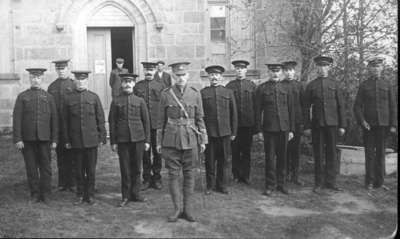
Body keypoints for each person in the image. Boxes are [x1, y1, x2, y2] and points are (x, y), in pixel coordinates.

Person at [156, 62, 208, 222]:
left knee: (190, 174)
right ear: (173, 76)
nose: (180, 78)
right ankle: (177, 209)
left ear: (188, 75)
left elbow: (199, 118)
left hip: (191, 139)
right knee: (173, 175)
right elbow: (160, 121)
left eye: (183, 75)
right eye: (177, 75)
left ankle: (188, 209)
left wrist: (203, 140)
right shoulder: (166, 94)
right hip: (171, 140)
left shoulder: (195, 93)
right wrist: (159, 142)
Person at [13, 68, 58, 203]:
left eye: (38, 78)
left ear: (42, 79)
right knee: (31, 167)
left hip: (45, 139)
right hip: (28, 139)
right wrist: (18, 138)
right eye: (33, 77)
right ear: (29, 79)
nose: (36, 80)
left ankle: (46, 193)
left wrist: (55, 139)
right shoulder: (22, 97)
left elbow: (54, 120)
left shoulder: (49, 97)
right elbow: (17, 119)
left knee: (46, 167)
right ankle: (35, 193)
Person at [303, 56, 347, 194]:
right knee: (318, 154)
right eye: (319, 66)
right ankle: (318, 183)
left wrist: (342, 125)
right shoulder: (311, 86)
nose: (322, 69)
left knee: (331, 153)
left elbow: (341, 106)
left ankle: (331, 182)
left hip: (333, 124)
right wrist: (307, 126)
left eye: (325, 66)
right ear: (317, 68)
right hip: (317, 125)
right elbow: (305, 108)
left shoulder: (335, 84)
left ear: (329, 67)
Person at [63, 70, 107, 205]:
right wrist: (66, 140)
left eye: (83, 80)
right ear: (75, 81)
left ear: (87, 81)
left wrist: (102, 137)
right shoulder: (68, 98)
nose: (81, 82)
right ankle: (80, 194)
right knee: (78, 169)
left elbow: (100, 118)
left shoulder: (94, 97)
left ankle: (90, 194)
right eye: (78, 80)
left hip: (91, 140)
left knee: (91, 170)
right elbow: (64, 121)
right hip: (75, 140)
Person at [353, 57, 397, 190]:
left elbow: (393, 106)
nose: (375, 69)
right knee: (369, 154)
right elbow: (357, 106)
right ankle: (369, 182)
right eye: (373, 67)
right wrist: (362, 121)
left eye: (378, 67)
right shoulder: (364, 85)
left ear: (381, 68)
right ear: (369, 69)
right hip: (369, 126)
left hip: (384, 125)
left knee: (381, 154)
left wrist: (393, 125)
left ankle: (380, 182)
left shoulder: (387, 85)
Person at [109, 73, 151, 207]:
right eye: (125, 82)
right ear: (121, 84)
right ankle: (125, 196)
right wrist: (113, 141)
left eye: (130, 82)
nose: (127, 84)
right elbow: (112, 122)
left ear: (133, 84)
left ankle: (136, 193)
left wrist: (147, 141)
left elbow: (146, 122)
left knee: (137, 167)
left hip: (138, 138)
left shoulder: (140, 101)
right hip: (122, 140)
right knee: (125, 168)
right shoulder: (116, 101)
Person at [255, 63, 295, 196]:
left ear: (281, 72)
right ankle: (270, 185)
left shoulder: (286, 88)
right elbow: (257, 111)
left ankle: (281, 184)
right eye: (273, 71)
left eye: (278, 71)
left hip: (284, 128)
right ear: (268, 72)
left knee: (283, 158)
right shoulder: (262, 89)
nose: (275, 74)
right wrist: (259, 130)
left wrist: (291, 130)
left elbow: (291, 110)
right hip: (269, 129)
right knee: (270, 158)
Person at [201, 65, 238, 195]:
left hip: (225, 132)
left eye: (217, 75)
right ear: (208, 77)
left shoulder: (228, 92)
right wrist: (203, 133)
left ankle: (222, 185)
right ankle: (210, 186)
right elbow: (201, 115)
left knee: (224, 160)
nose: (214, 77)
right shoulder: (203, 93)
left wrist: (233, 132)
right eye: (211, 75)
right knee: (210, 160)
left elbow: (234, 113)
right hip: (210, 133)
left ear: (221, 77)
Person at [134, 62, 165, 190]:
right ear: (143, 70)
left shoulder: (161, 86)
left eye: (151, 70)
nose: (148, 72)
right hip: (142, 126)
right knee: (145, 153)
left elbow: (164, 106)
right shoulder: (137, 86)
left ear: (155, 71)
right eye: (146, 69)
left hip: (157, 125)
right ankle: (146, 179)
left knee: (157, 153)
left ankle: (157, 178)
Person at [225, 60, 257, 184]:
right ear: (235, 70)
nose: (239, 70)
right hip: (235, 126)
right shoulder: (229, 86)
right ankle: (236, 174)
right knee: (235, 151)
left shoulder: (252, 85)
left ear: (246, 70)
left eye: (242, 68)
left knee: (247, 151)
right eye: (237, 68)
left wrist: (255, 125)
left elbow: (256, 105)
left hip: (248, 124)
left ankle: (246, 175)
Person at [47, 59, 76, 192]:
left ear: (68, 69)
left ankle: (73, 182)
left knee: (72, 154)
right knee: (60, 154)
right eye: (58, 69)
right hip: (57, 126)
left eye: (63, 68)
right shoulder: (52, 87)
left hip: (71, 125)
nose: (61, 71)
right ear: (56, 70)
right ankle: (62, 183)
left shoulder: (74, 84)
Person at [281, 61, 304, 185]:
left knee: (295, 150)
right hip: (284, 122)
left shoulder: (299, 86)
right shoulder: (280, 85)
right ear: (283, 72)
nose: (289, 73)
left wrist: (304, 123)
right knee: (284, 150)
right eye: (286, 70)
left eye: (291, 70)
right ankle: (285, 174)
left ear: (294, 71)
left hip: (297, 122)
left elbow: (304, 105)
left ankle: (295, 175)